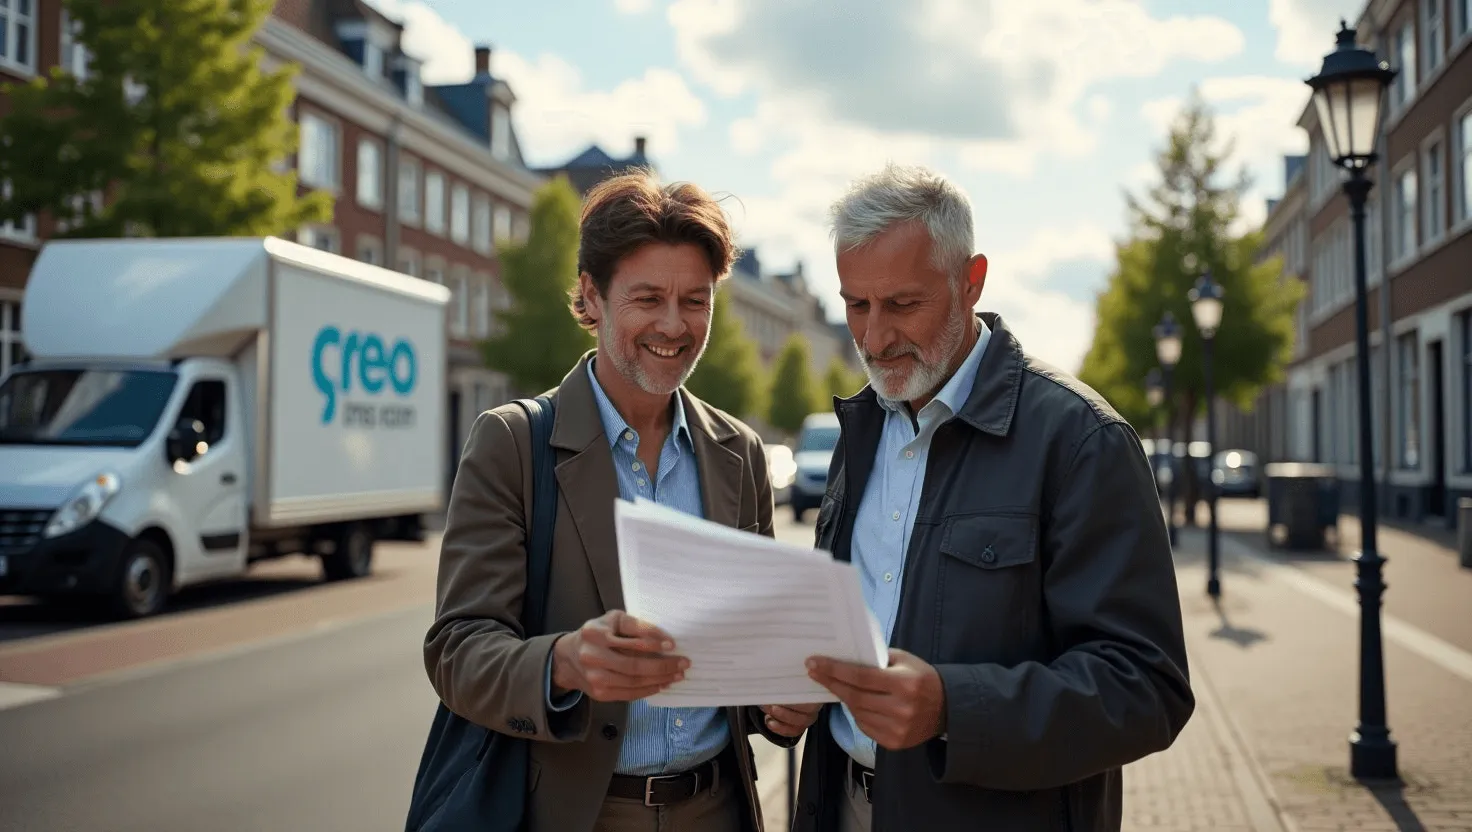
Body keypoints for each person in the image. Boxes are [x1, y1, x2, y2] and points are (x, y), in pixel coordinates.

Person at [792, 163, 1195, 832]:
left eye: (901, 304)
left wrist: (953, 707)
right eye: (855, 304)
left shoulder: (1080, 440)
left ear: (970, 282)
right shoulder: (858, 428)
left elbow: (1147, 687)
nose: (872, 338)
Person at [424, 170, 821, 832]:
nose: (674, 325)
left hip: (719, 808)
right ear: (592, 296)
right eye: (648, 298)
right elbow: (458, 649)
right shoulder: (513, 443)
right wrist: (564, 662)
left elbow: (748, 656)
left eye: (696, 301)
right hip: (576, 813)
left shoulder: (739, 453)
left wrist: (781, 701)